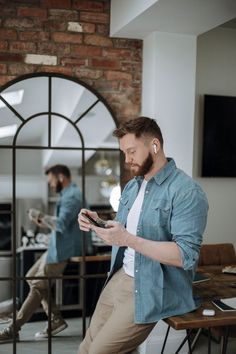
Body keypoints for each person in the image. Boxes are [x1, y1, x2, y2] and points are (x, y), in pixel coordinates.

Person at [78, 117, 209, 354]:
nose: (127, 160)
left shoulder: (186, 191)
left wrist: (127, 239)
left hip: (149, 287)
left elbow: (185, 255)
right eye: (124, 152)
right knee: (85, 349)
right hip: (118, 278)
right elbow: (126, 231)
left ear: (155, 145)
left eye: (131, 151)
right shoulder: (133, 186)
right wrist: (98, 222)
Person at [0, 164, 92, 343]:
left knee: (38, 286)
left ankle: (13, 329)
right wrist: (43, 222)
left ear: (60, 177)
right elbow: (60, 225)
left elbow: (62, 224)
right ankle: (55, 318)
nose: (50, 185)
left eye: (51, 180)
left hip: (65, 250)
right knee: (30, 277)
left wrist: (40, 215)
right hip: (56, 247)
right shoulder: (66, 194)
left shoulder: (72, 196)